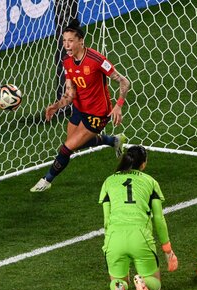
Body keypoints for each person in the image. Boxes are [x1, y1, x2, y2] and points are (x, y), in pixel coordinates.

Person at [30, 19, 130, 192]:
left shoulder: (96, 59)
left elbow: (124, 82)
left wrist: (118, 105)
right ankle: (113, 140)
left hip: (97, 114)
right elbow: (70, 95)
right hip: (79, 108)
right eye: (64, 41)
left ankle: (46, 180)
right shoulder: (67, 62)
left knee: (67, 148)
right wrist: (56, 106)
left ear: (81, 41)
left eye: (70, 41)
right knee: (76, 145)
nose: (66, 45)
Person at [99, 145, 178, 290]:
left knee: (118, 279)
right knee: (155, 282)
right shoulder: (150, 182)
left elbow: (106, 220)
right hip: (140, 238)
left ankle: (119, 287)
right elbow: (158, 218)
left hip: (114, 239)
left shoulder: (108, 181)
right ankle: (144, 282)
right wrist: (167, 250)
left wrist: (108, 245)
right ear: (143, 164)